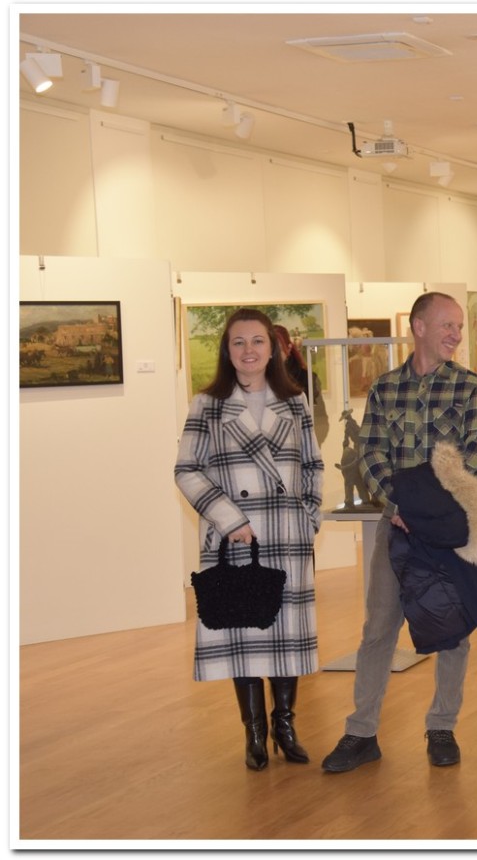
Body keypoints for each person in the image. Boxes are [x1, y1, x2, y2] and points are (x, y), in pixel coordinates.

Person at [321, 292, 477, 772]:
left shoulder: (470, 388)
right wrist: (397, 506)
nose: (457, 334)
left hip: (447, 527)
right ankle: (361, 733)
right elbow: (371, 452)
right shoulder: (384, 388)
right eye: (448, 325)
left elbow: (472, 460)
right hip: (394, 525)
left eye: (459, 326)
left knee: (452, 629)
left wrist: (423, 508)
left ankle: (442, 727)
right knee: (378, 629)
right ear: (419, 327)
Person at [174, 308, 324, 770]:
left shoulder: (295, 401)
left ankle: (285, 726)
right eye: (238, 342)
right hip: (237, 538)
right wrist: (228, 519)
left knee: (285, 636)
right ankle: (254, 735)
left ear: (273, 349)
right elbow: (186, 469)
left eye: (257, 341)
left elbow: (313, 465)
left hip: (287, 537)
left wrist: (309, 516)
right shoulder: (207, 404)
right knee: (243, 633)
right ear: (227, 350)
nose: (248, 350)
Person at [273, 324, 329, 445]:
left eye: (279, 349)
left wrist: (307, 447)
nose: (273, 355)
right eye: (270, 350)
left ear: (288, 348)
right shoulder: (259, 380)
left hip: (299, 448)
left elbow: (321, 422)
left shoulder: (307, 378)